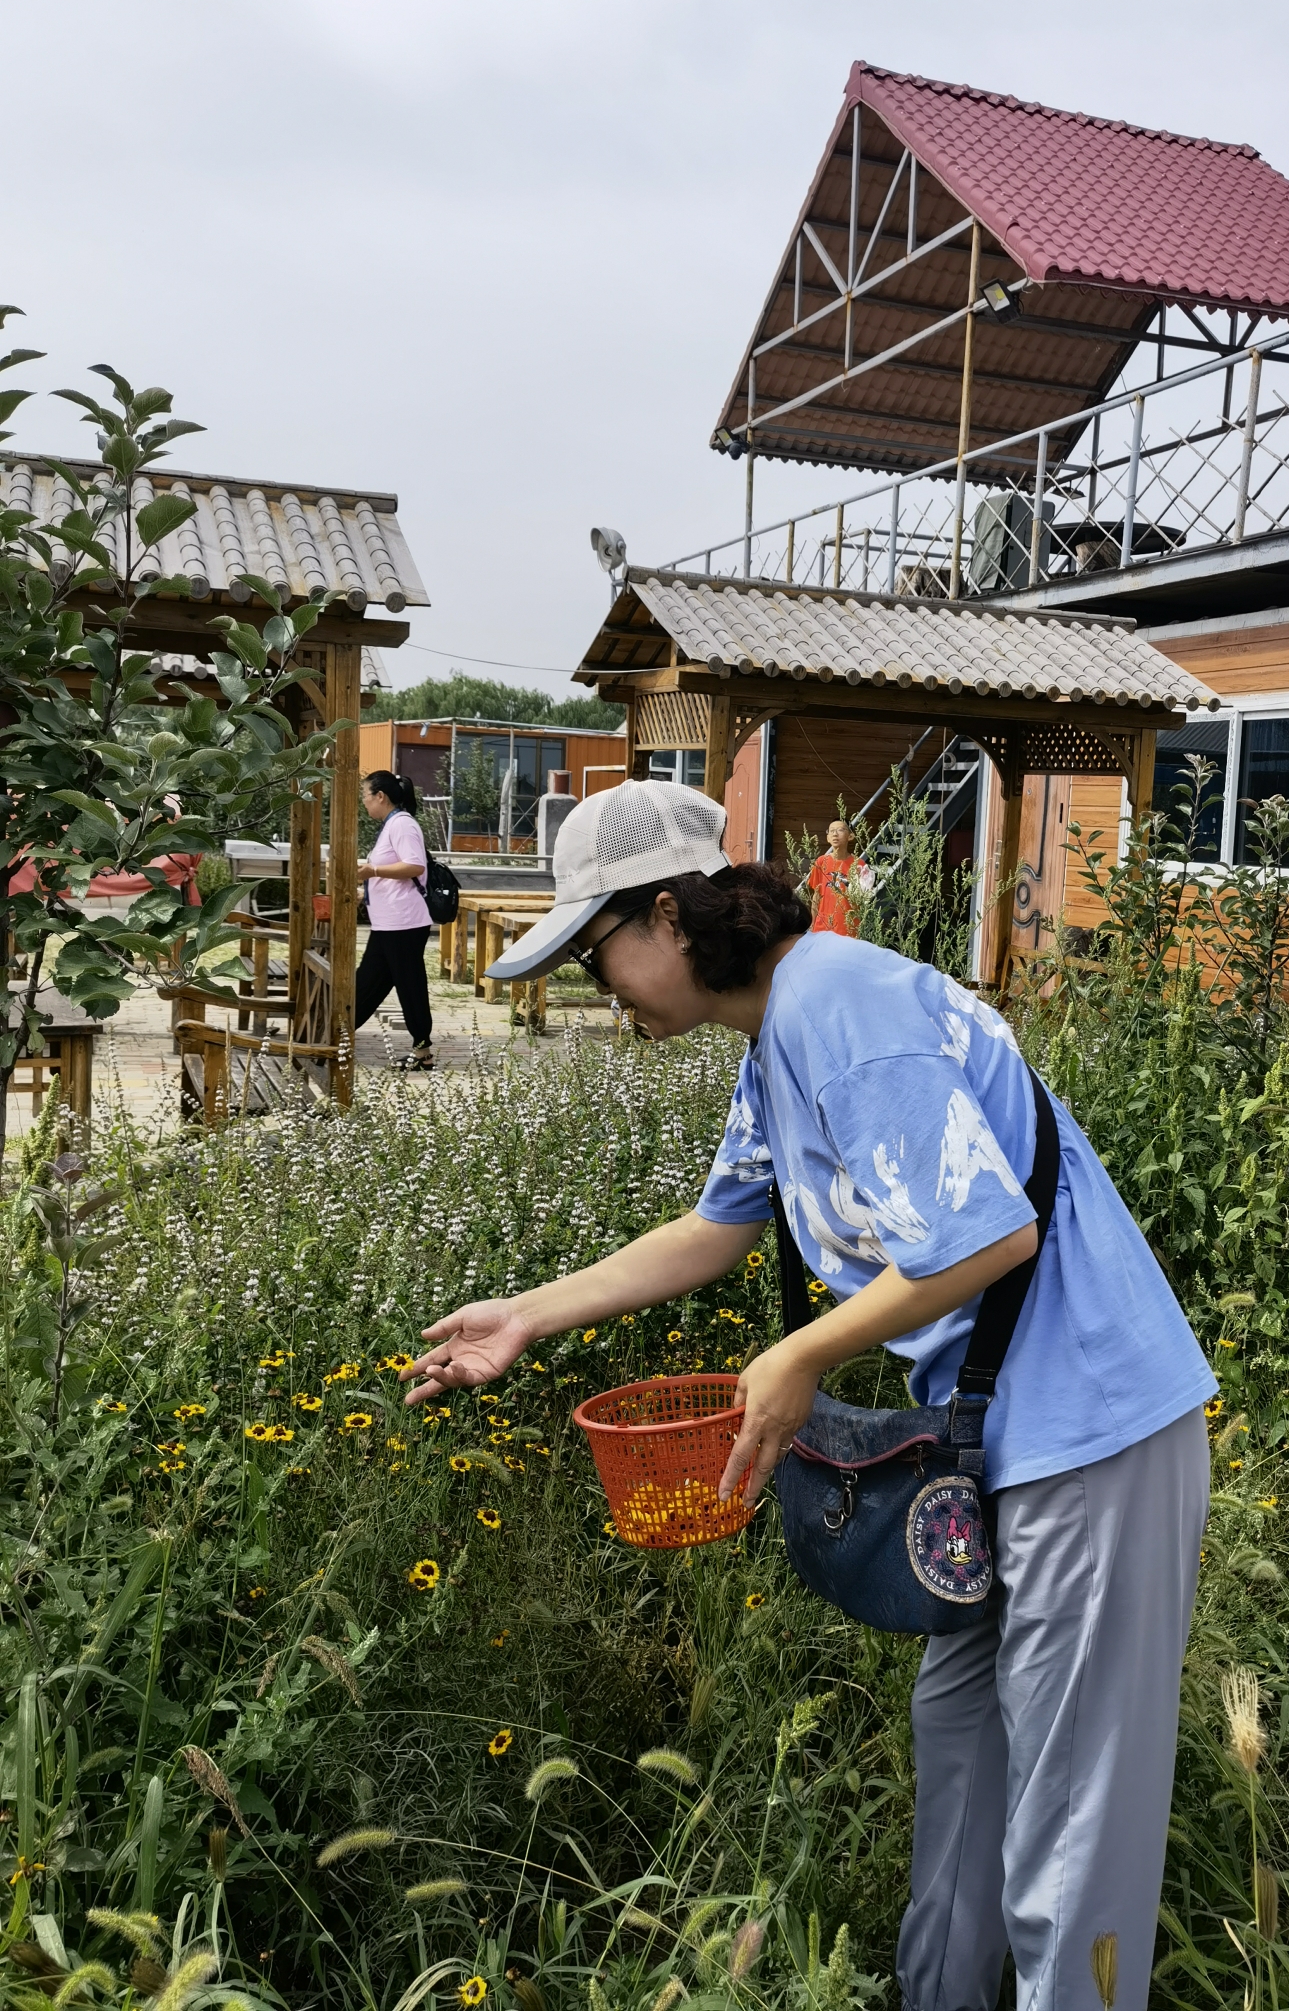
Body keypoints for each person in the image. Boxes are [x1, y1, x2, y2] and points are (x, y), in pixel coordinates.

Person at [406, 777, 1215, 2011]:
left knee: (1072, 1815)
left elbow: (986, 1235)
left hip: (1094, 1429)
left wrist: (799, 1355)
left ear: (670, 916)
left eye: (596, 950)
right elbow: (716, 1227)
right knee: (964, 1757)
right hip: (999, 1438)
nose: (594, 986)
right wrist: (526, 1313)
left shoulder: (836, 1000)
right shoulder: (776, 1033)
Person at [355, 769, 434, 1071]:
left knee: (409, 986)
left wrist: (371, 872)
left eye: (365, 795)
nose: (364, 802)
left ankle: (423, 1052)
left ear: (380, 796)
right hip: (390, 923)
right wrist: (368, 893)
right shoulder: (392, 825)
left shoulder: (402, 825)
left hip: (404, 923)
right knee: (368, 983)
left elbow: (414, 865)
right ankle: (334, 1033)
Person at [804, 816, 870, 935]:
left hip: (849, 929)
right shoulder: (820, 862)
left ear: (850, 836)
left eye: (840, 830)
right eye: (831, 831)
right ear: (828, 837)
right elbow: (816, 896)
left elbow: (862, 901)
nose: (835, 834)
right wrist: (812, 925)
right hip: (822, 928)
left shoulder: (859, 865)